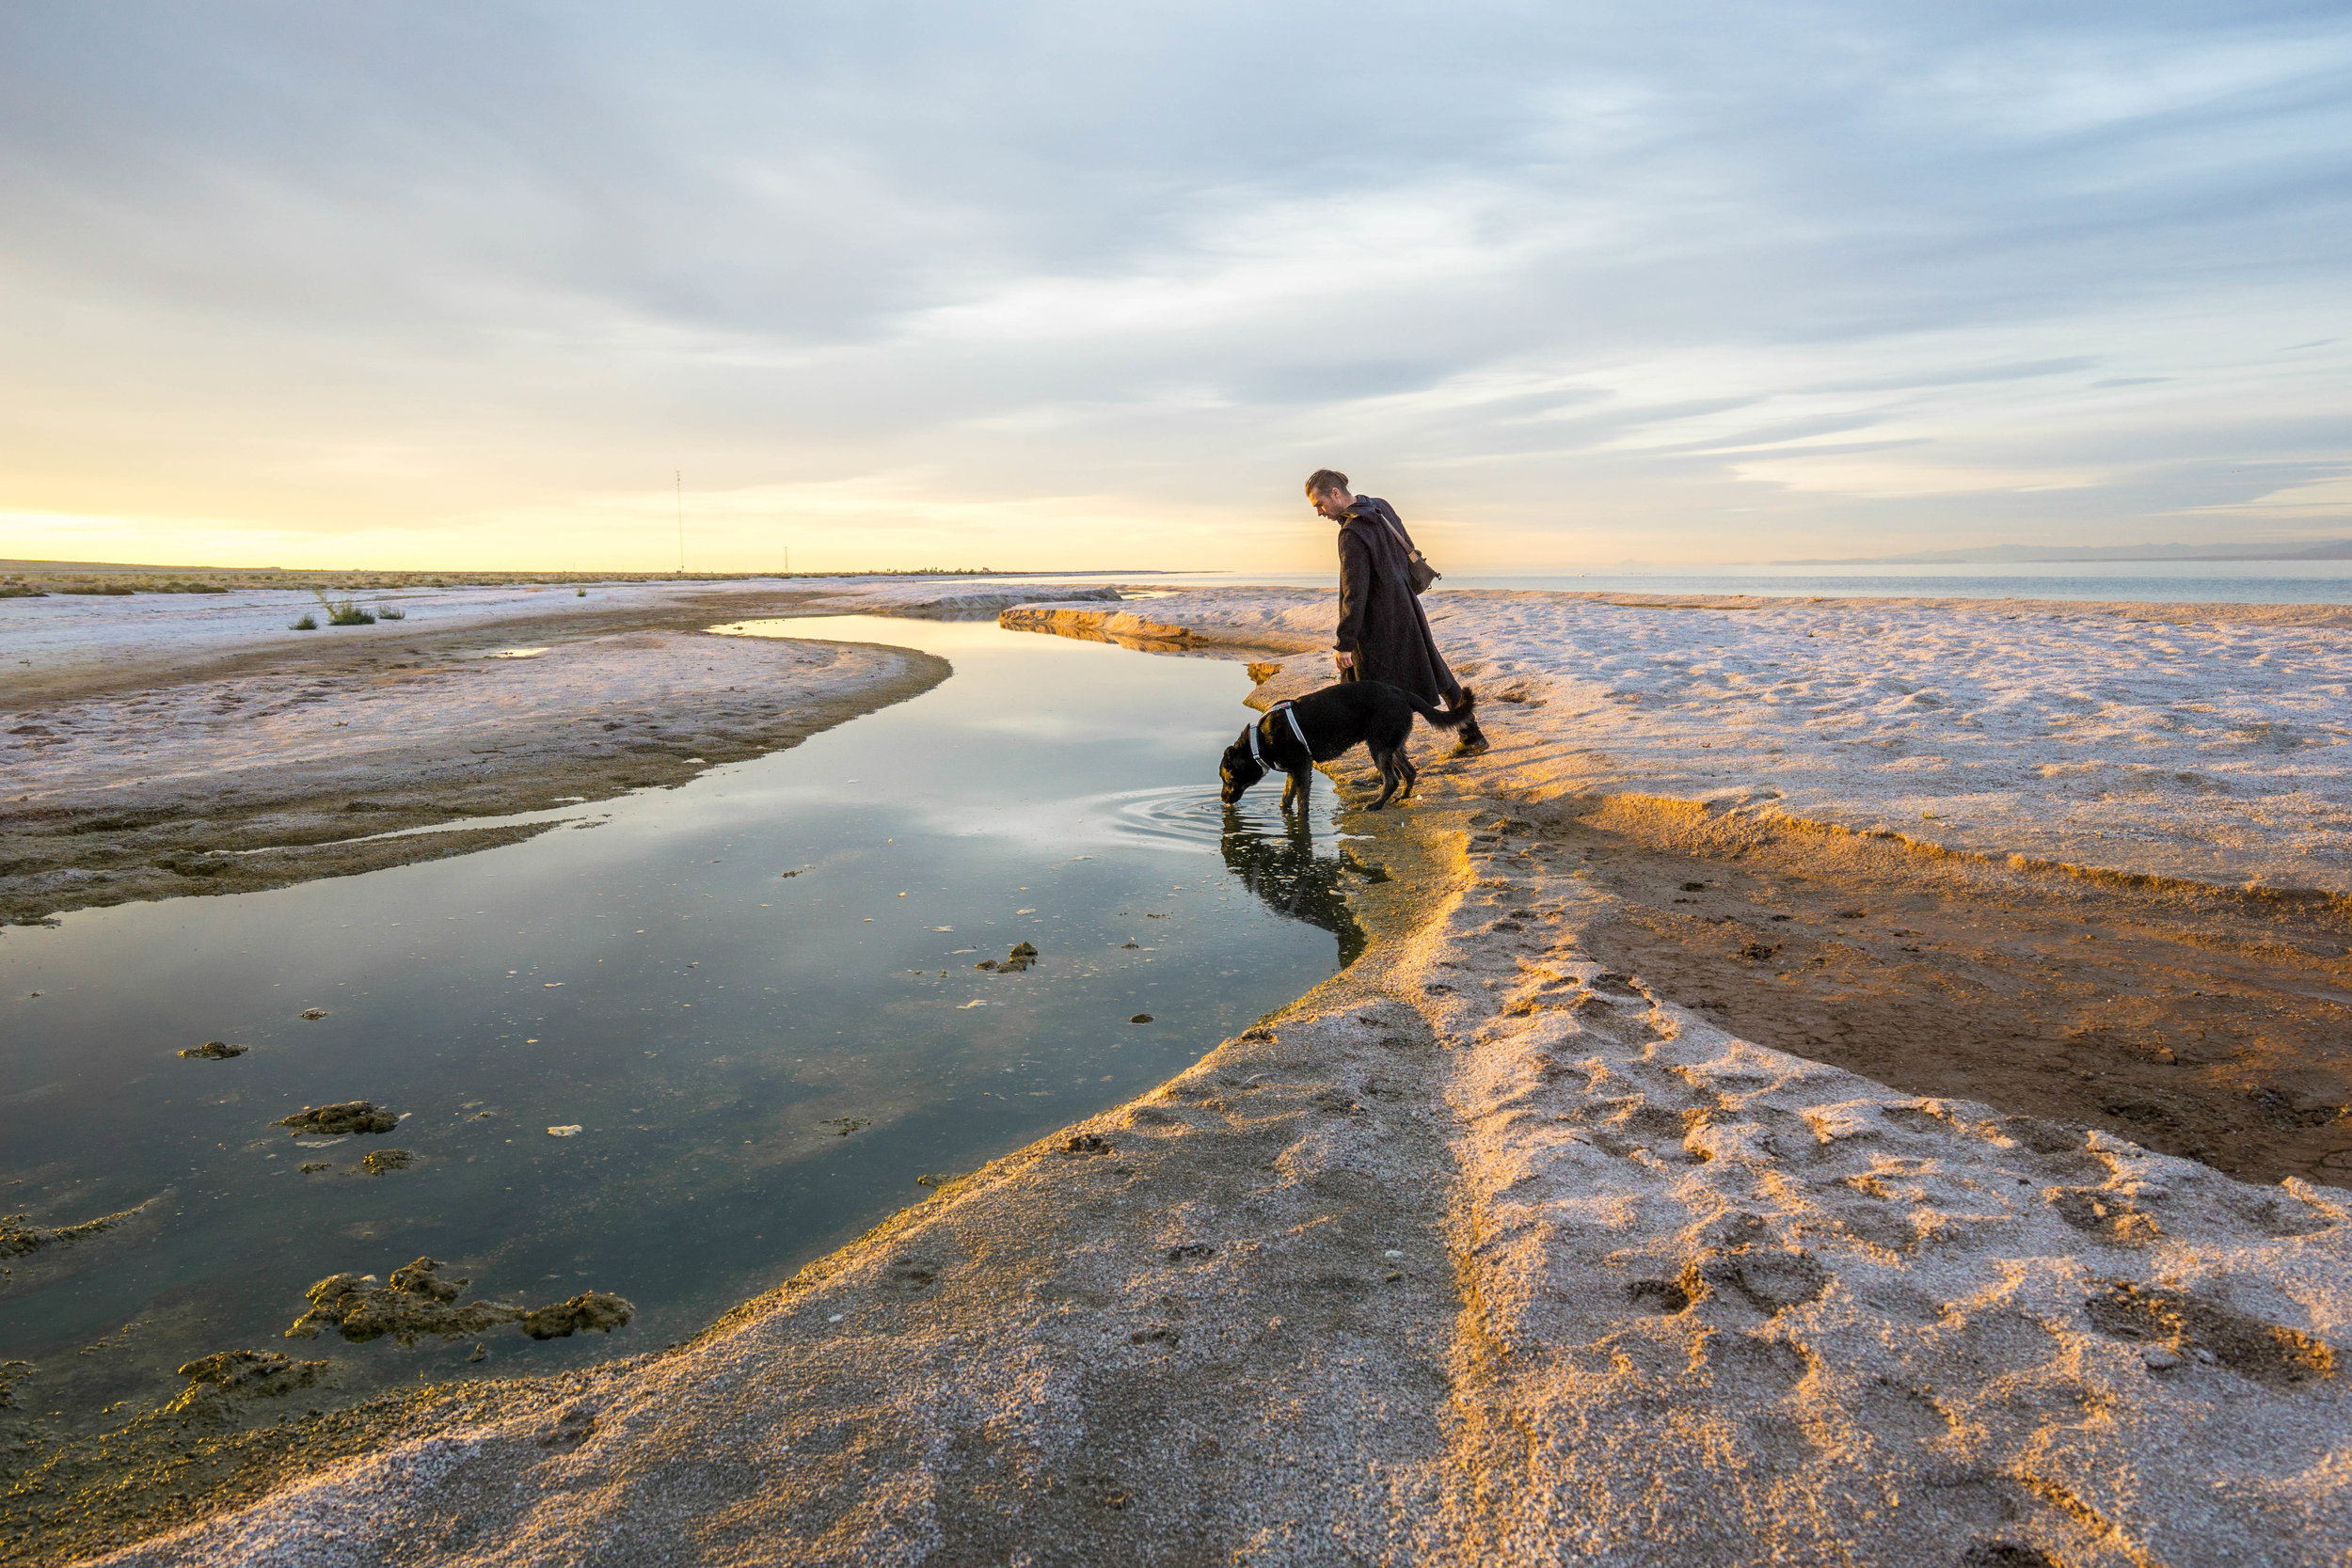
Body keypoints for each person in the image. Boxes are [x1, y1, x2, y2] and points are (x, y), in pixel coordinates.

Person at [1306, 468, 1488, 756]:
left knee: (1375, 694)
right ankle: (1472, 735)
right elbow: (1408, 549)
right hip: (1405, 608)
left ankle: (1389, 767)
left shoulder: (1352, 534)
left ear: (1336, 494)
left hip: (1377, 625)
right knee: (1433, 668)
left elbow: (1354, 593)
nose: (1320, 512)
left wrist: (1345, 644)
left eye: (1320, 504)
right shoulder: (1380, 506)